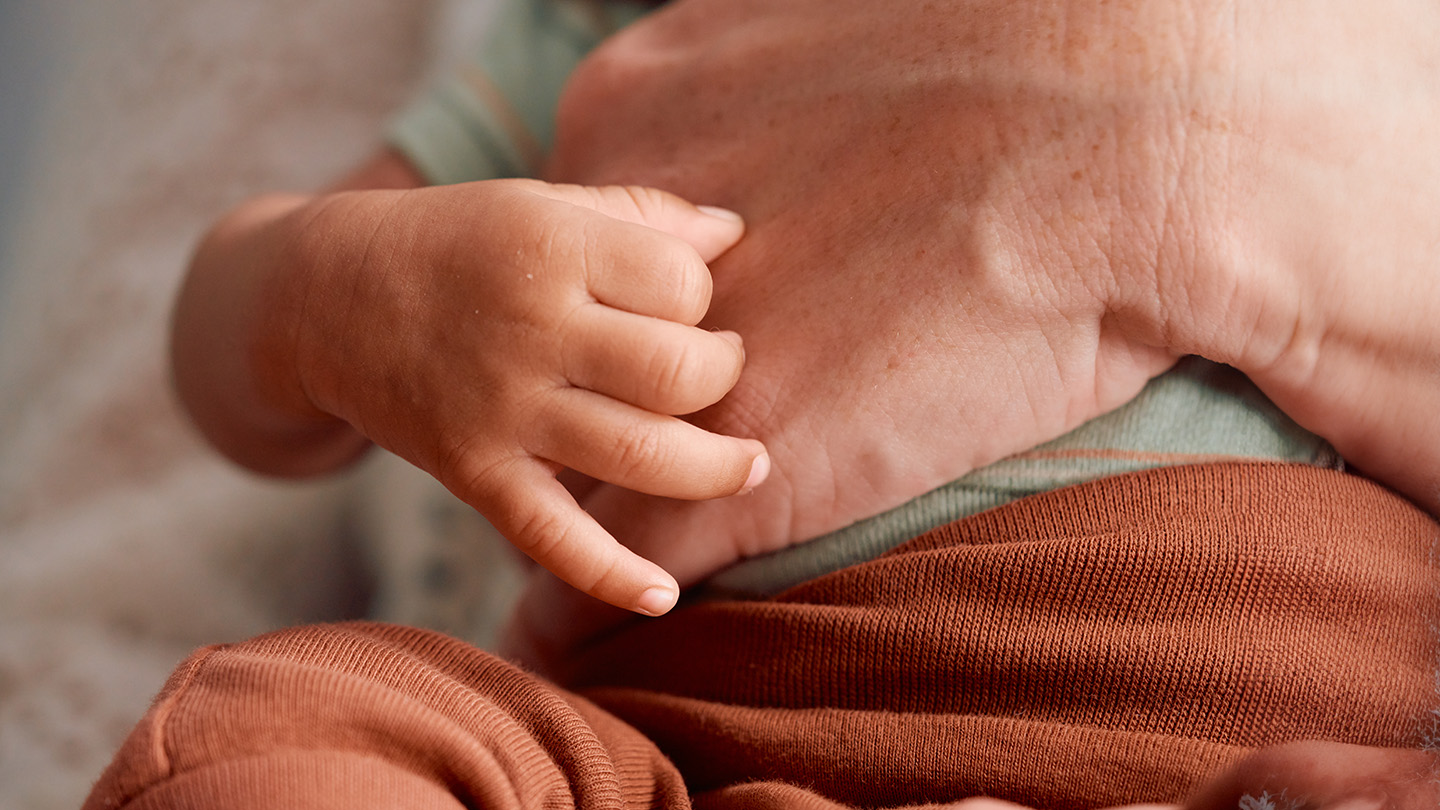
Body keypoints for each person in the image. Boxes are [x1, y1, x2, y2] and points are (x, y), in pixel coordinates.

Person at [85, 0, 1440, 808]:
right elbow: (231, 334)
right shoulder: (640, 36)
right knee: (271, 740)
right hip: (678, 744)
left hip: (1294, 731)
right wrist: (347, 296)